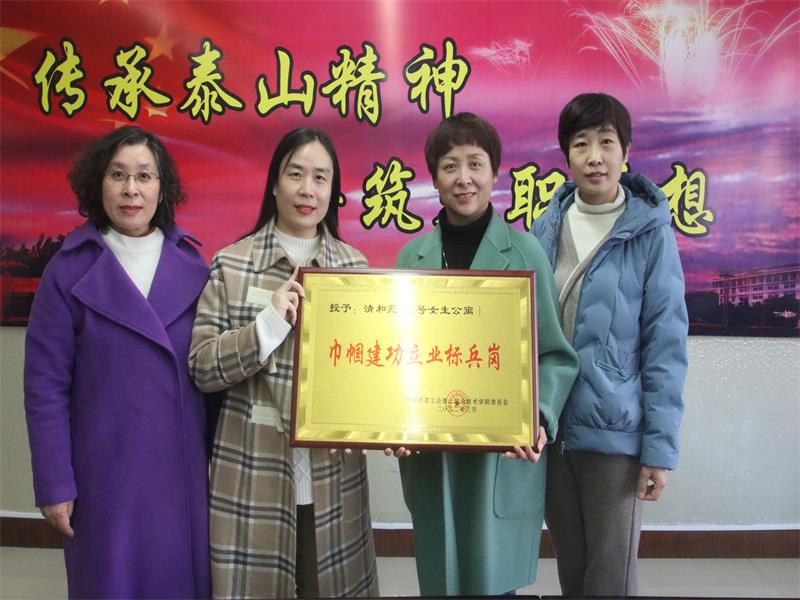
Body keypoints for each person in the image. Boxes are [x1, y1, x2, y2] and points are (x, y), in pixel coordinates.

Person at [391, 112, 579, 596]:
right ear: (434, 178)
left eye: (475, 163)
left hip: (500, 451)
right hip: (431, 450)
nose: (464, 178)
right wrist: (390, 420)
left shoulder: (526, 253)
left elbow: (555, 355)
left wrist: (538, 415)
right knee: (441, 578)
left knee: (493, 581)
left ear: (495, 172)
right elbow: (397, 358)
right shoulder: (411, 258)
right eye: (450, 166)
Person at [188, 128, 379, 599]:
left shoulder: (355, 269)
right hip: (252, 476)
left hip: (333, 480)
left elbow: (372, 376)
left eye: (320, 178)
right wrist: (265, 328)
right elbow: (202, 367)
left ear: (333, 191)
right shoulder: (232, 264)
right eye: (295, 174)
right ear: (274, 184)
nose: (307, 190)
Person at [24, 126, 211, 599]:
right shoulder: (68, 269)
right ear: (98, 184)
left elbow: (216, 373)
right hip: (102, 475)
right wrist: (54, 483)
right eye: (118, 175)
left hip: (182, 475)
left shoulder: (195, 269)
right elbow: (45, 387)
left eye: (145, 176)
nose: (132, 189)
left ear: (162, 188)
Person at [533, 92, 689, 596]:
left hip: (615, 435)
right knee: (572, 567)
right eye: (581, 144)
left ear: (626, 150)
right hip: (551, 430)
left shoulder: (650, 233)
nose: (595, 156)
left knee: (610, 577)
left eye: (606, 142)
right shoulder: (544, 228)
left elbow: (665, 346)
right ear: (567, 154)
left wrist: (658, 449)